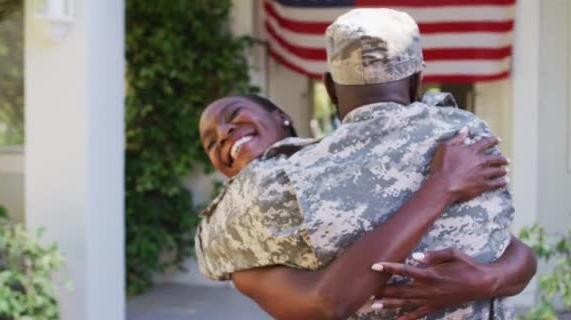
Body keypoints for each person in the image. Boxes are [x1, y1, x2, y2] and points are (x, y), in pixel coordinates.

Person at [196, 8, 536, 320]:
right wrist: (442, 185)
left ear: (328, 88)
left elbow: (512, 249)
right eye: (211, 143)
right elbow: (328, 301)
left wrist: (486, 280)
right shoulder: (462, 137)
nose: (225, 136)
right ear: (417, 80)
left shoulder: (304, 175)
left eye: (233, 117)